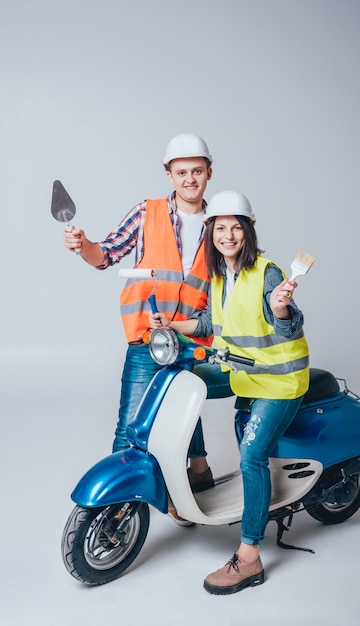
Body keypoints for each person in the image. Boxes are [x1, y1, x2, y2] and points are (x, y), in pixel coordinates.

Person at [150, 190, 309, 594]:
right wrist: (168, 326)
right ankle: (196, 474)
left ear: (248, 231)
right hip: (243, 374)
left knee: (252, 456)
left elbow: (290, 327)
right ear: (211, 233)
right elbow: (209, 323)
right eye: (220, 227)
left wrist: (280, 308)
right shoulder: (220, 272)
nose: (228, 234)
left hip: (279, 380)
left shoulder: (268, 272)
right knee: (182, 380)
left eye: (236, 227)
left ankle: (250, 556)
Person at [63, 134, 231, 513]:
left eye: (197, 171)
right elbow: (104, 255)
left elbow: (231, 283)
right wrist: (83, 243)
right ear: (168, 174)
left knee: (182, 406)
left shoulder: (220, 225)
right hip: (149, 339)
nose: (190, 179)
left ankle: (198, 470)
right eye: (182, 171)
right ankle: (115, 510)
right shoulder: (147, 213)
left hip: (192, 340)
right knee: (131, 428)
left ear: (209, 172)